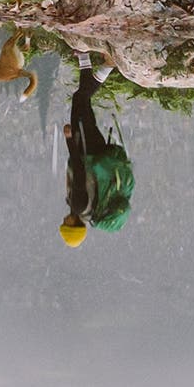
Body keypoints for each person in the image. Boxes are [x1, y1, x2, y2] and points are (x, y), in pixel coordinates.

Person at [59, 54, 133, 247]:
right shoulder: (78, 206)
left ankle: (83, 55)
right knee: (81, 99)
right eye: (64, 225)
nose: (62, 222)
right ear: (71, 226)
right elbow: (79, 170)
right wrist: (69, 141)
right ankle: (108, 65)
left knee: (83, 101)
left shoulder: (90, 212)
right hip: (86, 149)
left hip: (99, 153)